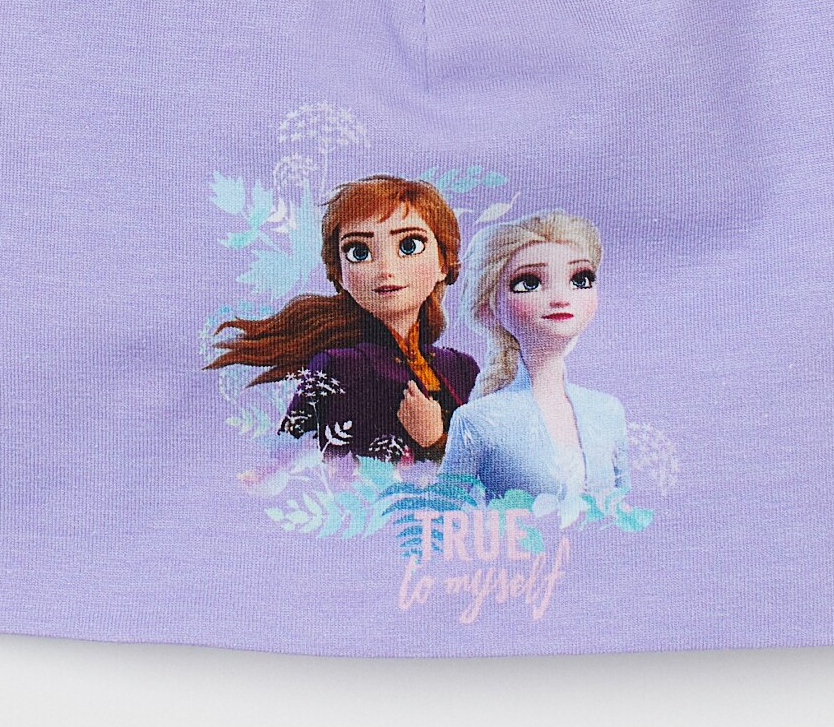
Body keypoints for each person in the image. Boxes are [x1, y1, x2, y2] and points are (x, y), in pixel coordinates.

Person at [210, 175, 477, 466]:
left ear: (443, 263)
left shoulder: (461, 368)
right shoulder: (338, 366)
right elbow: (289, 464)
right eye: (359, 252)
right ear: (340, 274)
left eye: (409, 246)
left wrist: (436, 441)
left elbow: (493, 467)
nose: (385, 269)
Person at [442, 211, 629, 518]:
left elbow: (624, 513)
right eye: (528, 283)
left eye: (580, 280)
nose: (561, 298)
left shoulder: (607, 411)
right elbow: (443, 518)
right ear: (489, 308)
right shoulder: (477, 421)